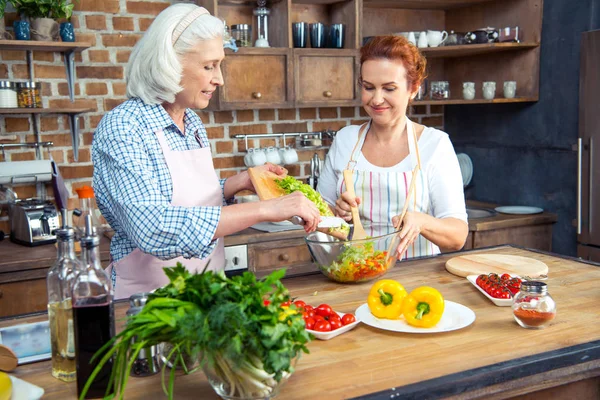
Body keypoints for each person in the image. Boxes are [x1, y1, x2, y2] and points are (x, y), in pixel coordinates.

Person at [92, 3, 320, 299]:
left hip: (206, 295)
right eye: (208, 66)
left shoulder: (192, 122)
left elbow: (186, 201)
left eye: (219, 65)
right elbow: (153, 227)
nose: (219, 78)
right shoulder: (124, 126)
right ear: (169, 63)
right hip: (147, 303)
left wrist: (235, 184)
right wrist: (265, 209)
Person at [317, 35, 468, 259]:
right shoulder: (345, 140)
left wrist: (422, 221)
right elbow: (319, 217)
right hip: (354, 273)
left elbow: (457, 236)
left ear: (413, 88)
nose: (377, 99)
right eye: (369, 87)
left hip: (415, 281)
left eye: (389, 88)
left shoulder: (434, 145)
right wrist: (337, 214)